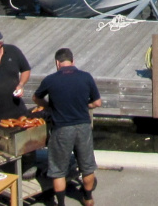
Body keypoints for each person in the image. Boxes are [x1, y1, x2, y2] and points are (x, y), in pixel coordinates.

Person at [34, 48, 103, 206]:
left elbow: (36, 97)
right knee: (87, 167)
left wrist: (48, 106)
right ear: (73, 61)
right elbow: (97, 102)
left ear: (57, 63)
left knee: (58, 170)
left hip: (62, 129)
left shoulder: (51, 80)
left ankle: (60, 203)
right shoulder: (86, 77)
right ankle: (87, 197)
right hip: (83, 126)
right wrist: (85, 106)